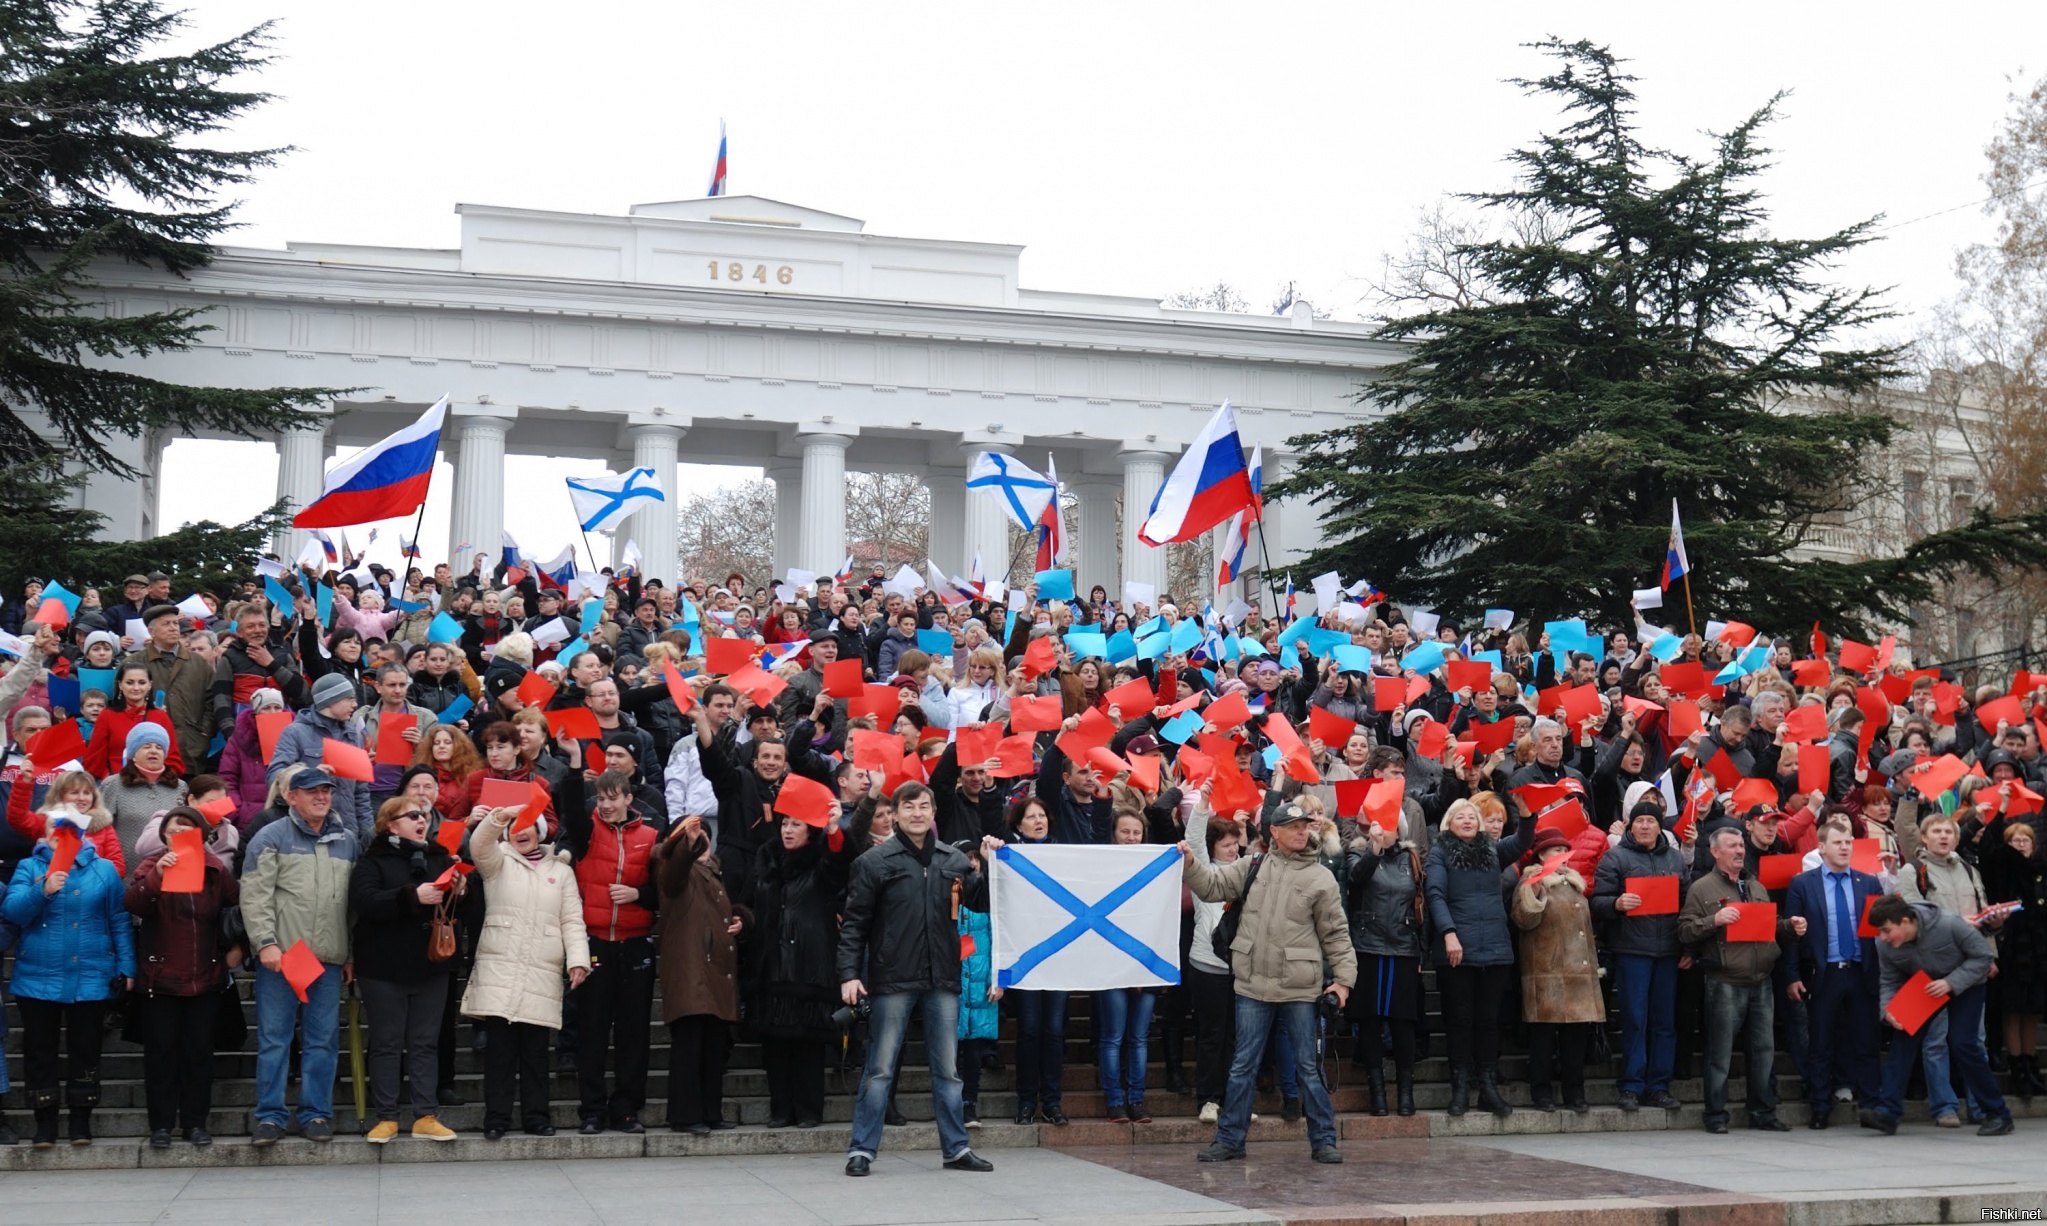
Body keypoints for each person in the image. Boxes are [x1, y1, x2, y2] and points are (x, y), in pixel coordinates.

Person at [1182, 797, 1357, 1165]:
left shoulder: (1321, 876)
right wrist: (1192, 864)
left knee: (1308, 1067)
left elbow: (1337, 935)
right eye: (1292, 826)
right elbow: (1212, 886)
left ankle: (1323, 1139)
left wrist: (1343, 982)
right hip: (1252, 984)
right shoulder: (1253, 865)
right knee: (1243, 1064)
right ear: (1273, 832)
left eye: (1305, 825)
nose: (1300, 831)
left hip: (1298, 987)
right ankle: (1230, 1138)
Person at [837, 782, 998, 1177]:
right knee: (879, 1070)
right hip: (892, 978)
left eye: (924, 806)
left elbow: (980, 902)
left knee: (948, 1070)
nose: (917, 813)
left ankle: (956, 1148)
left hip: (942, 977)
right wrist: (849, 974)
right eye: (908, 807)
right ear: (894, 813)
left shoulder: (953, 860)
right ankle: (862, 1149)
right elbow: (854, 925)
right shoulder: (874, 862)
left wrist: (991, 862)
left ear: (933, 812)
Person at [240, 765, 360, 1145]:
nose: (322, 796)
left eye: (326, 790)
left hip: (326, 959)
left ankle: (317, 1114)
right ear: (290, 797)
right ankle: (270, 1116)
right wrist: (265, 943)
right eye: (311, 791)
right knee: (275, 1039)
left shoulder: (348, 840)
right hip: (284, 957)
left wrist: (350, 954)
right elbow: (254, 894)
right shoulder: (270, 836)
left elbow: (353, 907)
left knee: (323, 1039)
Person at [2, 805, 135, 1147]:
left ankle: (80, 1120)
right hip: (38, 976)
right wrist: (42, 889)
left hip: (91, 975)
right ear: (44, 833)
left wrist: (126, 966)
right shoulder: (30, 867)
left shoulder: (103, 870)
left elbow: (118, 920)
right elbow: (13, 912)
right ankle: (44, 1122)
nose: (59, 836)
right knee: (40, 1050)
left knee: (86, 1049)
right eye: (53, 829)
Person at [461, 802, 591, 1141]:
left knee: (535, 1053)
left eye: (528, 825)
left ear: (540, 832)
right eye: (514, 826)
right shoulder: (498, 862)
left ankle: (537, 1117)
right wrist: (498, 817)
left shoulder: (561, 870)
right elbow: (478, 845)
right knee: (500, 1052)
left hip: (541, 970)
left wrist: (578, 959)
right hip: (500, 969)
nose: (521, 831)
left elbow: (571, 919)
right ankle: (497, 1118)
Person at [739, 789, 869, 1129]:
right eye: (784, 823)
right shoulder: (765, 860)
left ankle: (809, 1111)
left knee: (808, 1045)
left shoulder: (820, 862)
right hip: (771, 966)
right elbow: (751, 904)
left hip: (810, 967)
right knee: (776, 1046)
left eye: (796, 824)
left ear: (809, 830)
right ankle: (781, 1110)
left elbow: (844, 862)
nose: (787, 829)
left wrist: (833, 829)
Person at [349, 796, 466, 1143]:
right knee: (386, 1043)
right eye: (413, 815)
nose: (422, 820)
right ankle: (386, 1117)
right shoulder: (373, 860)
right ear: (390, 824)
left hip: (431, 965)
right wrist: (412, 896)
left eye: (426, 815)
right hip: (384, 968)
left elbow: (459, 908)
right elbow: (365, 901)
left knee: (425, 1043)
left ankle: (426, 1115)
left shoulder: (439, 856)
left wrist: (460, 890)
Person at [123, 804, 238, 1147]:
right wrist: (158, 873)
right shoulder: (151, 863)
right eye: (171, 829)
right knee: (160, 1054)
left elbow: (237, 909)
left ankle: (195, 1123)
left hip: (205, 975)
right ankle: (160, 1125)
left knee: (198, 1054)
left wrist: (238, 948)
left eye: (185, 829)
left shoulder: (215, 868)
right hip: (160, 977)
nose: (177, 835)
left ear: (200, 834)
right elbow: (133, 903)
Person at [1677, 825, 1798, 1133]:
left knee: (1763, 1049)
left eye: (1741, 846)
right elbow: (1685, 930)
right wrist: (1713, 920)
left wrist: (1788, 926)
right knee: (1720, 1051)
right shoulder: (1701, 887)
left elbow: (1769, 924)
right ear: (1715, 852)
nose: (1740, 850)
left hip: (1762, 979)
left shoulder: (1755, 885)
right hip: (1725, 980)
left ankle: (1763, 1111)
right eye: (1732, 846)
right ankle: (1715, 1115)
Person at [1864, 894, 2014, 1136]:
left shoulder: (1949, 923)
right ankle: (1888, 1113)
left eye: (1886, 930)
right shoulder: (1884, 945)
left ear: (1905, 921)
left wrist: (1951, 983)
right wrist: (1888, 1010)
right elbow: (1889, 980)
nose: (1882, 937)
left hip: (1965, 984)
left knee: (1963, 1042)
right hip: (1924, 986)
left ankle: (1998, 1114)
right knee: (1903, 1038)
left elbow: (1982, 957)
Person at [563, 769, 662, 1135]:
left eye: (611, 798)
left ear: (628, 799)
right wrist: (574, 767)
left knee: (634, 1032)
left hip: (635, 943)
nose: (604, 805)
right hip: (595, 941)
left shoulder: (651, 837)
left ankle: (625, 1109)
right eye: (600, 799)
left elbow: (663, 890)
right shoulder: (587, 831)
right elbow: (572, 809)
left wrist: (639, 896)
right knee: (591, 1029)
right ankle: (591, 1110)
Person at [1591, 798, 1691, 1112]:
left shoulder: (1675, 859)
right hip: (1632, 951)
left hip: (1667, 952)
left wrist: (1688, 947)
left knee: (1664, 1022)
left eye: (1651, 821)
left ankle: (1658, 1085)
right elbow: (1597, 902)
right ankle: (1632, 1085)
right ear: (1630, 825)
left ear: (1660, 825)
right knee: (1635, 1019)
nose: (1645, 826)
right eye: (1639, 821)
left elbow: (1687, 905)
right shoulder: (1615, 858)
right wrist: (1616, 904)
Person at [1426, 797, 1524, 1118]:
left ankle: (1487, 1087)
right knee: (1460, 1020)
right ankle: (1460, 1089)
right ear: (1448, 823)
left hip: (1495, 947)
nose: (1467, 820)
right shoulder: (1440, 852)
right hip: (1458, 949)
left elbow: (1525, 840)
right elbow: (1436, 895)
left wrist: (1526, 812)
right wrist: (1448, 933)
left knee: (1488, 1021)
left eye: (1472, 816)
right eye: (1459, 817)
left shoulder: (1493, 850)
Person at [1784, 820, 1885, 1128]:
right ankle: (1819, 1107)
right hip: (1824, 973)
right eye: (1838, 842)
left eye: (1848, 842)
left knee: (1867, 1043)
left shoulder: (1869, 883)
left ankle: (1870, 1106)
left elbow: (1882, 931)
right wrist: (1791, 975)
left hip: (1860, 971)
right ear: (1822, 848)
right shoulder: (1803, 884)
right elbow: (1791, 932)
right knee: (1821, 1043)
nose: (1844, 847)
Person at [656, 812, 749, 1134]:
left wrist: (740, 920)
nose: (701, 843)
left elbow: (718, 915)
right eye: (694, 838)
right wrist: (687, 845)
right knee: (689, 1048)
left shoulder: (713, 874)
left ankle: (710, 1112)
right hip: (689, 971)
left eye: (704, 837)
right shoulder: (674, 867)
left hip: (714, 971)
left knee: (712, 1047)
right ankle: (684, 1115)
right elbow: (674, 875)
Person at [1512, 826, 1605, 1114]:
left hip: (1577, 974)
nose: (1564, 856)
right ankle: (1541, 1092)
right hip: (1547, 973)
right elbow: (1523, 920)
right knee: (1543, 1039)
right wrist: (1536, 894)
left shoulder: (1575, 883)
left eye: (1566, 851)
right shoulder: (1532, 880)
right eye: (1557, 851)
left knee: (1575, 1039)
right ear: (1541, 855)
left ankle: (1574, 1092)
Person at [268, 672, 375, 843]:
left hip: (348, 833)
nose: (355, 705)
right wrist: (309, 776)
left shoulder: (354, 735)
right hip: (307, 832)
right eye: (349, 699)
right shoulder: (295, 732)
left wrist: (368, 835)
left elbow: (361, 792)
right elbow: (275, 778)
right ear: (330, 700)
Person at [126, 603, 214, 776]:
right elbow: (122, 702)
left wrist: (205, 730)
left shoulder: (198, 662)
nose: (174, 628)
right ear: (151, 632)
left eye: (175, 623)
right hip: (149, 753)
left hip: (192, 749)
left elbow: (212, 698)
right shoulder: (134, 663)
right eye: (166, 624)